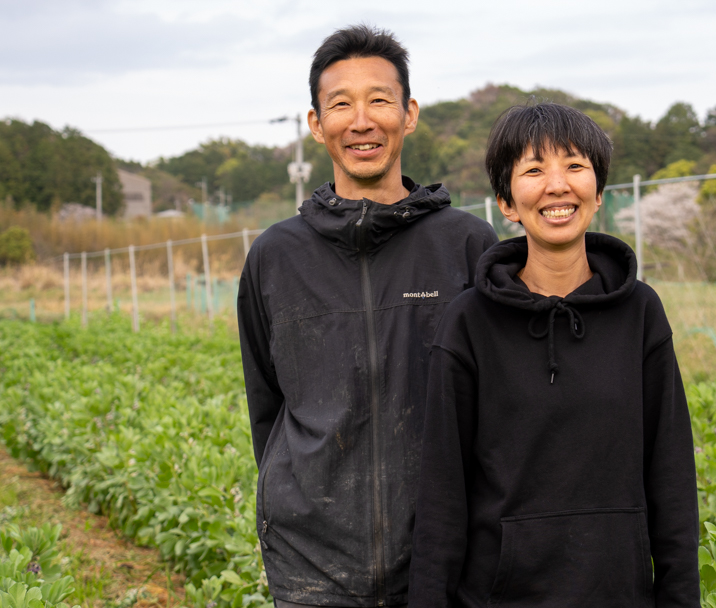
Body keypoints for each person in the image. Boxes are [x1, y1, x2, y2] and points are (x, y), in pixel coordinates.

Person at [237, 25, 499, 608]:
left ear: (408, 114)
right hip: (312, 566)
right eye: (340, 104)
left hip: (440, 561)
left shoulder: (466, 244)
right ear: (315, 123)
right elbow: (268, 406)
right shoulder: (276, 257)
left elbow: (498, 404)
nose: (361, 121)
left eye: (379, 100)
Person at [409, 103, 700, 608]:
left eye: (574, 165)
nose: (557, 186)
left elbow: (671, 479)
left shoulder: (640, 313)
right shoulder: (469, 323)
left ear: (599, 191)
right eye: (534, 170)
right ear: (505, 201)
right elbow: (441, 496)